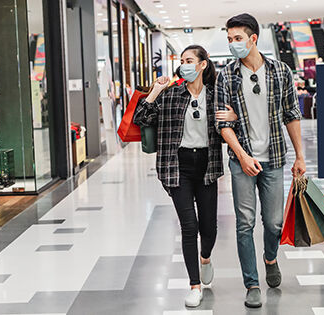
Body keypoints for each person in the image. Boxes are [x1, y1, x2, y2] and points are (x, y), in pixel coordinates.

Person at [133, 45, 237, 308]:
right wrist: (156, 90)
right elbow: (140, 117)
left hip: (207, 166)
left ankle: (205, 258)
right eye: (181, 61)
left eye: (189, 60)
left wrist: (233, 117)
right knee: (189, 227)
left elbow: (233, 126)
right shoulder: (170, 95)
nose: (183, 65)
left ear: (202, 65)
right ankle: (194, 285)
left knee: (209, 228)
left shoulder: (215, 96)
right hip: (177, 166)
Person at [215, 13, 306, 308]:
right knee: (244, 224)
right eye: (229, 39)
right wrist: (241, 155)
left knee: (274, 223)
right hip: (241, 161)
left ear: (253, 39)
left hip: (274, 158)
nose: (233, 44)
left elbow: (292, 114)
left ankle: (270, 258)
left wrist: (300, 155)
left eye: (237, 38)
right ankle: (251, 284)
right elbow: (221, 123)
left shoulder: (280, 72)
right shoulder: (226, 76)